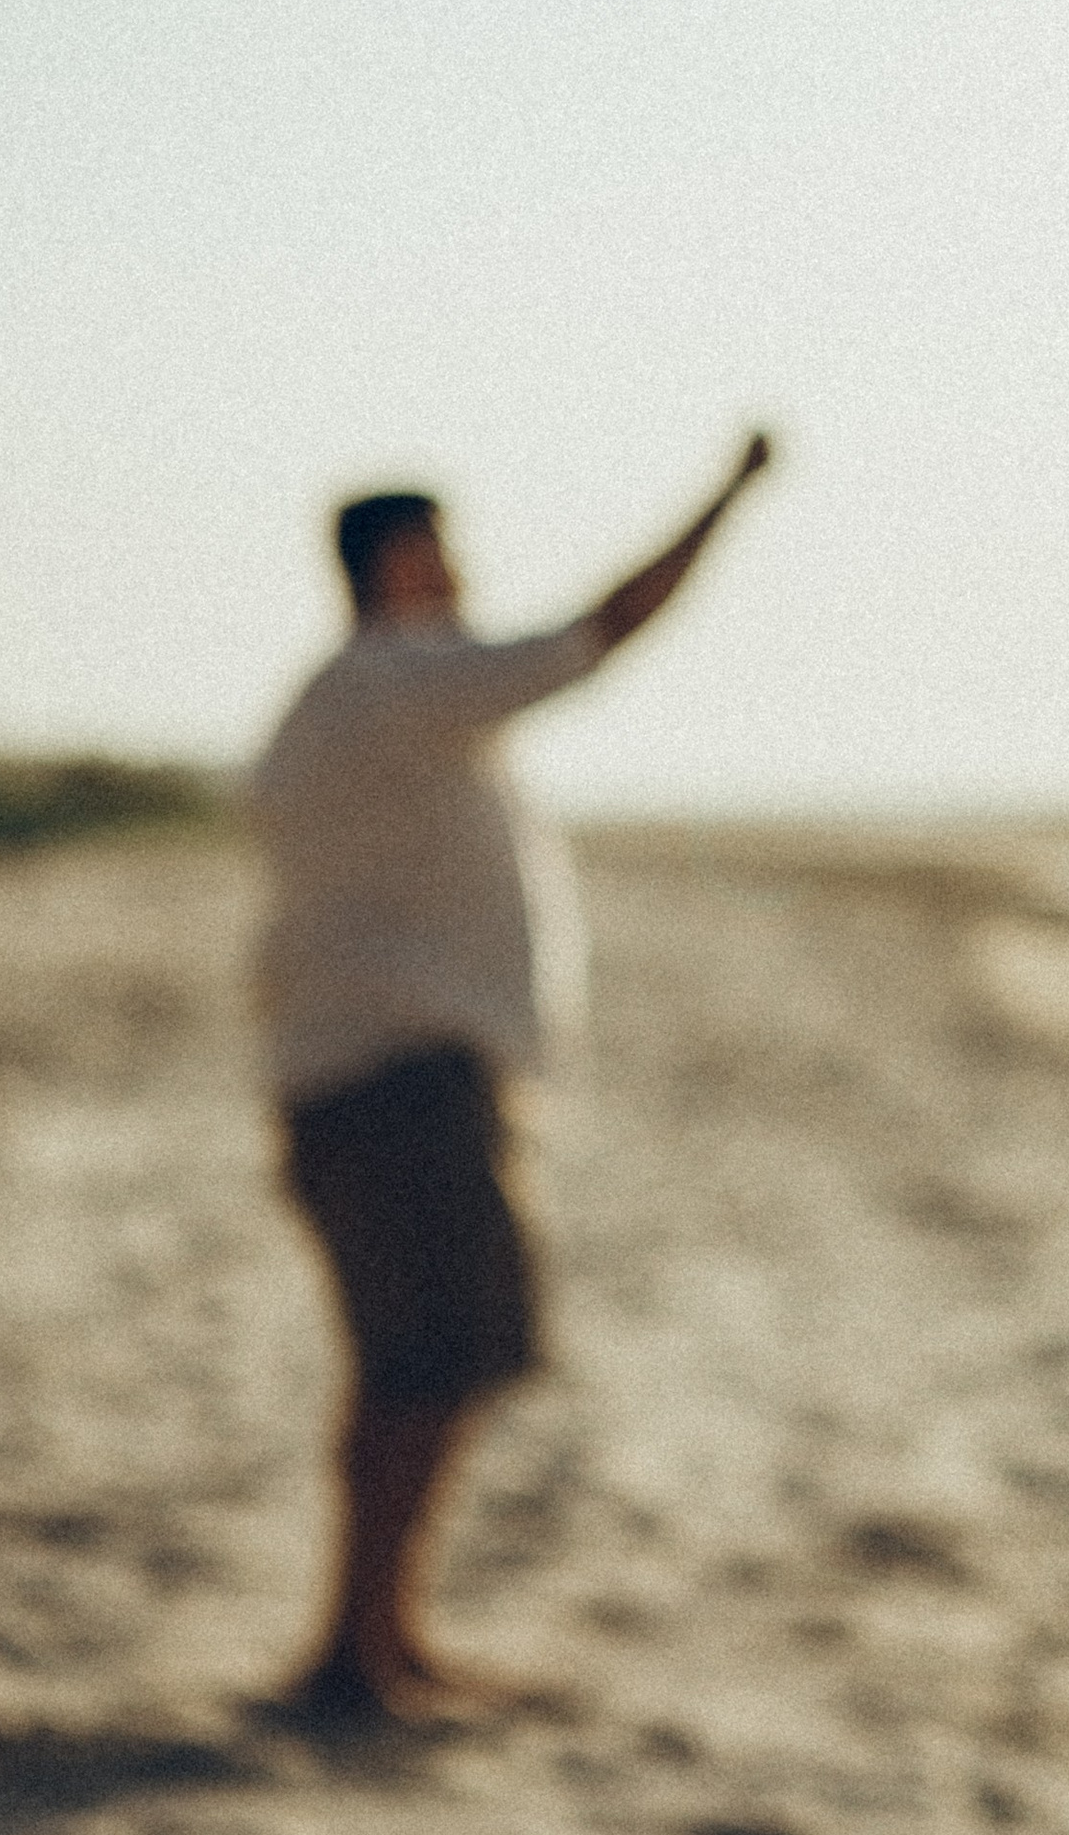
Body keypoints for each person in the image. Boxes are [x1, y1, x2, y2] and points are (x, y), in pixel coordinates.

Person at [251, 433, 773, 1721]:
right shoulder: (397, 677)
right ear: (396, 563)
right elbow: (597, 634)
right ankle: (359, 1653)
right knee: (428, 1366)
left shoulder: (353, 697)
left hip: (373, 1077)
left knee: (420, 1366)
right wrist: (726, 496)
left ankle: (379, 1638)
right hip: (400, 1082)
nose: (465, 568)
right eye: (442, 546)